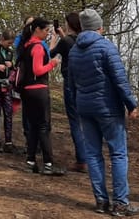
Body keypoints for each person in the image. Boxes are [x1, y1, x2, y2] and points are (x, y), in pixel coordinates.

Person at [68, 8, 139, 217]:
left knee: (93, 154)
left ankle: (101, 201)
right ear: (100, 27)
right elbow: (119, 80)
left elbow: (71, 84)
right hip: (108, 108)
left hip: (84, 108)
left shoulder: (74, 51)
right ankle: (120, 203)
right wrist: (131, 104)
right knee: (118, 153)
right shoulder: (106, 48)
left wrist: (76, 104)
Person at [18, 18, 65, 175]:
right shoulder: (37, 47)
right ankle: (48, 163)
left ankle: (30, 161)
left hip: (26, 91)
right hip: (39, 90)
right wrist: (52, 63)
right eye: (46, 31)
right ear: (37, 29)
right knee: (44, 126)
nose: (47, 34)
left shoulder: (25, 45)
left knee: (32, 126)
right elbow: (38, 70)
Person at [58, 11, 88, 172]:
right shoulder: (86, 40)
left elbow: (51, 53)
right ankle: (89, 157)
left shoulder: (66, 42)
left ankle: (81, 160)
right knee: (86, 121)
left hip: (70, 81)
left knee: (75, 122)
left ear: (69, 24)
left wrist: (58, 38)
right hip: (86, 83)